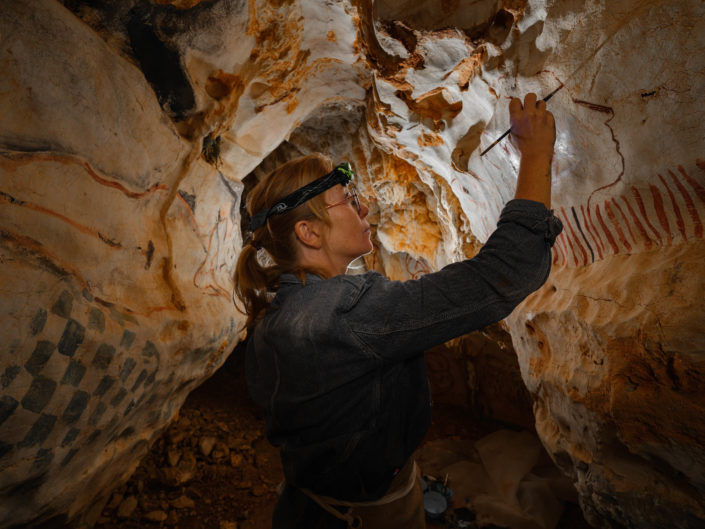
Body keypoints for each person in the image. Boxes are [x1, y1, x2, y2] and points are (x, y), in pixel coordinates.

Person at [234, 93, 563, 528]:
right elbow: (503, 273)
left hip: (306, 508)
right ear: (309, 233)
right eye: (347, 199)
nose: (363, 207)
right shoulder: (348, 312)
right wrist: (536, 153)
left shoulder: (274, 318)